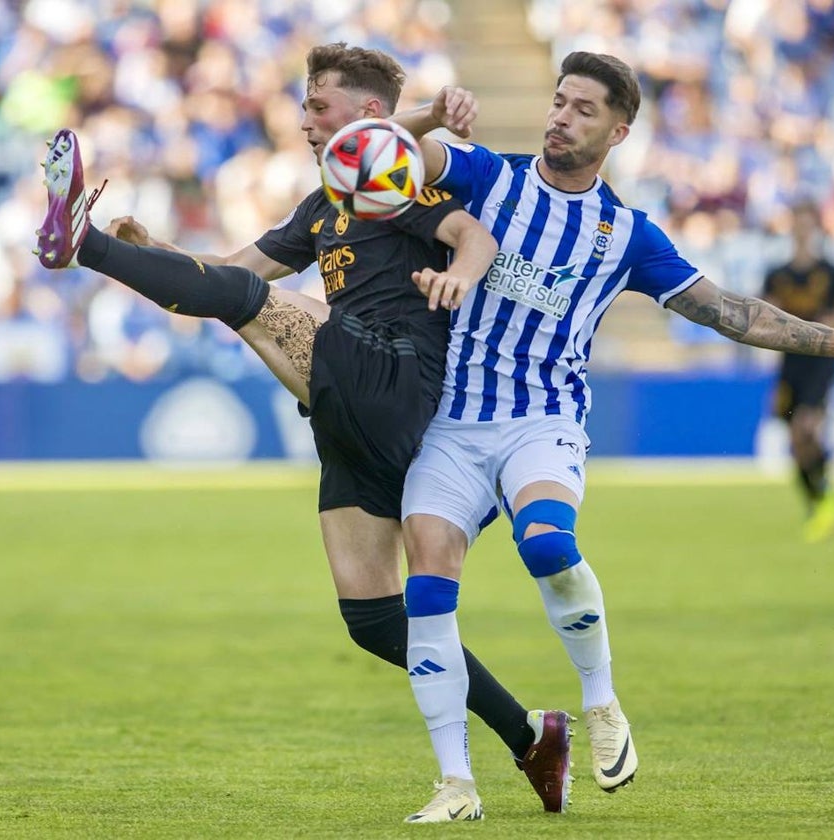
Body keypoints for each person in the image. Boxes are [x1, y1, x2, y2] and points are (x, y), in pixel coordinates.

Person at [390, 51, 834, 822]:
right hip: (453, 421)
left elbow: (730, 312)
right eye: (558, 101)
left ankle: (602, 703)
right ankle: (457, 784)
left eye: (582, 109)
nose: (560, 117)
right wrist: (426, 117)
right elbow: (379, 150)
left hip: (543, 420)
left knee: (547, 545)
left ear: (619, 129)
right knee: (428, 587)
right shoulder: (488, 176)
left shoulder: (627, 235)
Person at [31, 43, 572, 813]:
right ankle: (531, 733)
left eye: (319, 106)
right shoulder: (324, 205)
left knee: (241, 301)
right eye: (306, 106)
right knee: (374, 618)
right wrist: (157, 251)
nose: (305, 120)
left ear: (369, 117)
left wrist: (460, 275)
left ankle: (78, 245)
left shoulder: (400, 179)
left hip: (394, 375)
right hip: (349, 412)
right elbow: (230, 265)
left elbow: (473, 238)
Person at [763, 199, 834, 542]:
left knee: (808, 426)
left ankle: (826, 490)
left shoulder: (831, 273)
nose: (802, 232)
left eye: (808, 225)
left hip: (821, 360)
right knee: (795, 439)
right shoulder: (778, 274)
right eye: (798, 225)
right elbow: (762, 309)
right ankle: (816, 499)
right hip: (790, 361)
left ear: (816, 229)